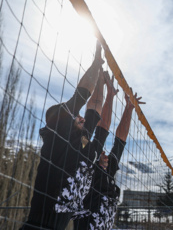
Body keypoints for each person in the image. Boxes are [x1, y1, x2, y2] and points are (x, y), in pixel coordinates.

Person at [21, 41, 109, 230]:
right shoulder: (57, 136)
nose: (80, 116)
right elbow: (82, 95)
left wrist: (101, 76)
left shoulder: (84, 142)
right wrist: (95, 64)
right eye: (74, 115)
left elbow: (94, 106)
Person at [72, 77, 145, 230]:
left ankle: (104, 84)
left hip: (91, 191)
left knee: (98, 131)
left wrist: (103, 83)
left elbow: (95, 122)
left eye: (79, 120)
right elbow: (120, 141)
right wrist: (130, 108)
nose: (80, 120)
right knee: (110, 141)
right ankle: (109, 90)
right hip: (104, 197)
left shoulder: (82, 146)